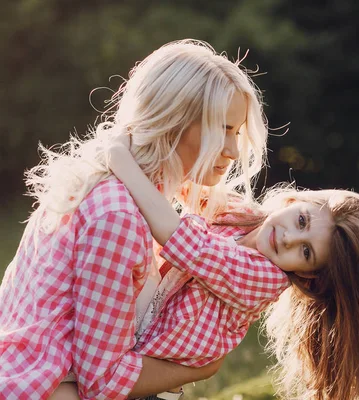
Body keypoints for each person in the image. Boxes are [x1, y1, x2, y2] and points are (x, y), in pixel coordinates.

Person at [0, 39, 270, 400]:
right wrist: (200, 367)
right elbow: (103, 382)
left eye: (236, 132)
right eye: (221, 128)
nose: (233, 151)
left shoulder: (127, 183)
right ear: (173, 120)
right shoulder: (118, 215)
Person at [55, 142, 359, 399]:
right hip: (133, 335)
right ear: (297, 200)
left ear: (308, 275)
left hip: (144, 373)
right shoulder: (246, 217)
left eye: (306, 252)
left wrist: (121, 158)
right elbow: (185, 186)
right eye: (300, 221)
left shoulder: (263, 280)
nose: (289, 239)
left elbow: (181, 239)